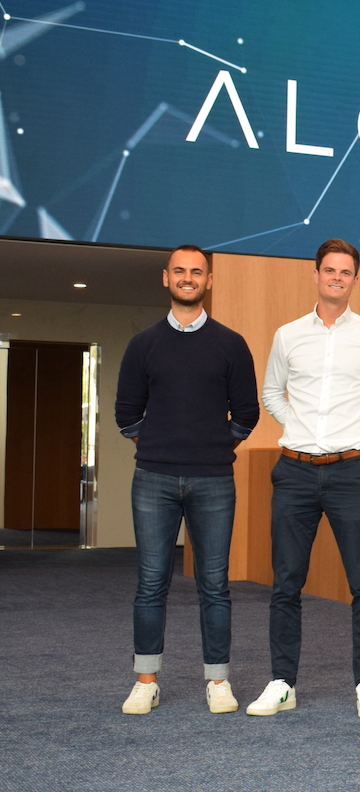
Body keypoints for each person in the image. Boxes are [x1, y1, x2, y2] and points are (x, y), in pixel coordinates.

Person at [247, 238, 360, 718]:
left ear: (355, 279)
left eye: (345, 272)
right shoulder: (288, 335)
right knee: (286, 583)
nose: (336, 278)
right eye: (329, 270)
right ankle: (282, 683)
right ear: (316, 275)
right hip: (294, 472)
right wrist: (298, 426)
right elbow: (271, 392)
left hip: (352, 471)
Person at [115, 244, 260, 715]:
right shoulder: (143, 344)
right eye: (179, 270)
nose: (188, 278)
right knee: (150, 583)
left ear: (208, 281)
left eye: (197, 271)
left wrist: (214, 446)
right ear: (166, 278)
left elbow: (247, 413)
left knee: (214, 584)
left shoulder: (231, 344)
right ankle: (146, 681)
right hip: (153, 478)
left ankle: (218, 680)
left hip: (214, 479)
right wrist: (161, 445)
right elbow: (126, 414)